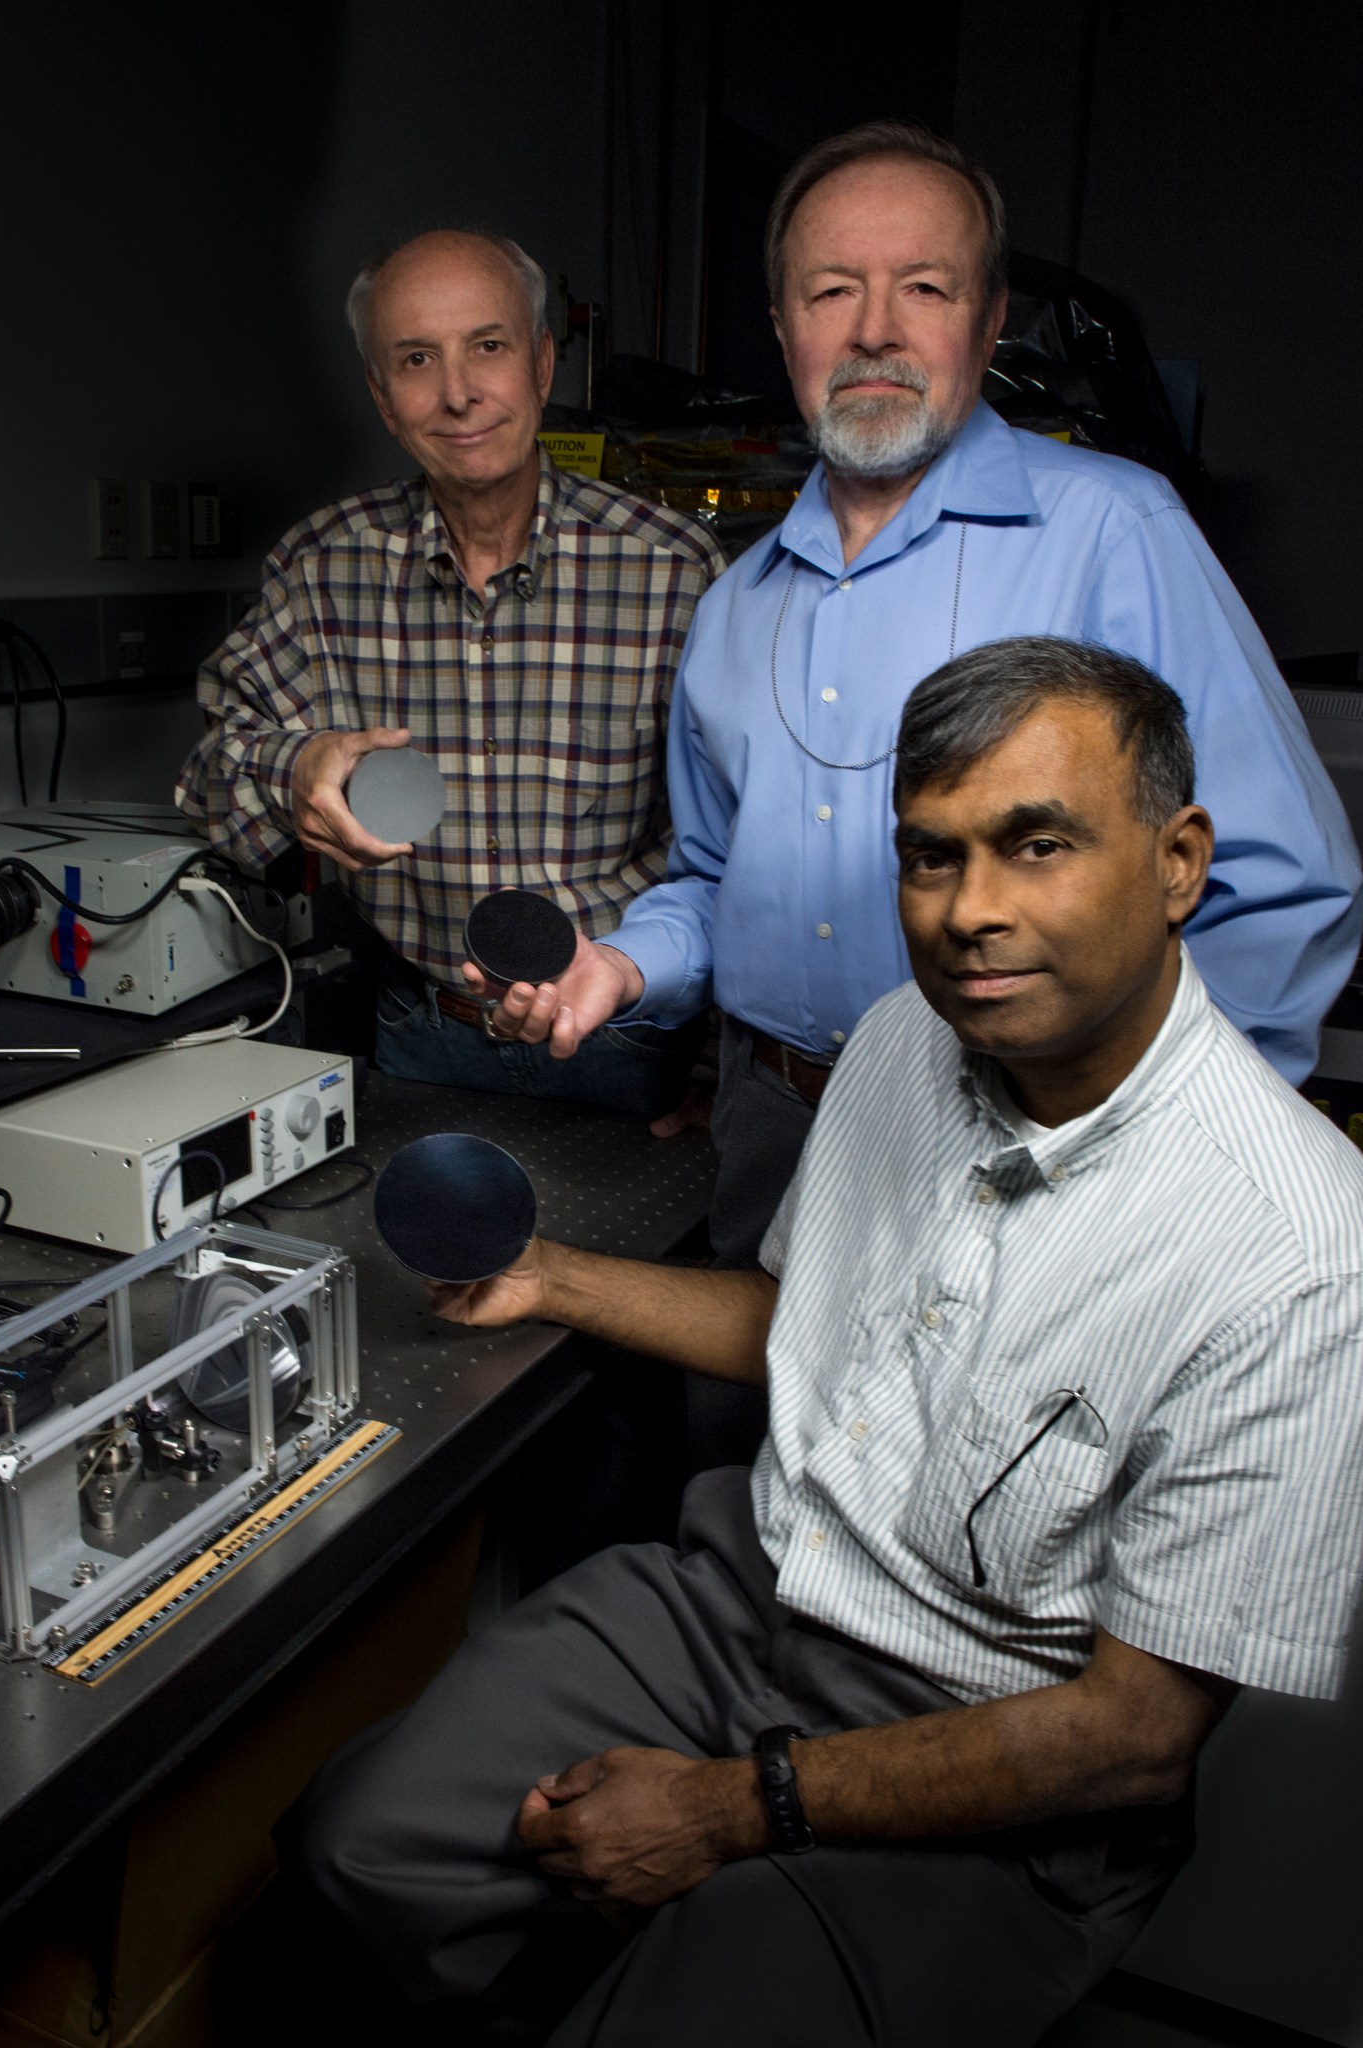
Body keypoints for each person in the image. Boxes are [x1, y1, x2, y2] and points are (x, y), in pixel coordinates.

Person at [285, 638, 1363, 2048]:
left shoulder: (1293, 1251)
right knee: (359, 1851)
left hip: (998, 1740)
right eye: (930, 856)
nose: (969, 911)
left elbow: (1130, 1736)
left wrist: (730, 1807)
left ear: (1175, 862)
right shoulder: (899, 1042)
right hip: (739, 1600)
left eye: (1034, 845)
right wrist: (548, 1276)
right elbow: (814, 1328)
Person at [473, 121, 1361, 1262]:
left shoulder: (1109, 529)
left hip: (1033, 1128)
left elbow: (1281, 881)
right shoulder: (737, 604)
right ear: (784, 326)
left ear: (987, 320)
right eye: (832, 289)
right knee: (761, 1431)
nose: (875, 329)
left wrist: (1162, 1152)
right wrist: (623, 964)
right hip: (779, 1124)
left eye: (923, 287)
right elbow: (711, 877)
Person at [175, 229, 725, 1117]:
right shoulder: (323, 566)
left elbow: (738, 839)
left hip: (631, 1043)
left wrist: (717, 1073)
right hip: (422, 1036)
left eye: (489, 347)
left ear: (543, 365)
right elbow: (206, 779)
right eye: (417, 359)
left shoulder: (674, 569)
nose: (459, 392)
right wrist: (296, 768)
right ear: (383, 399)